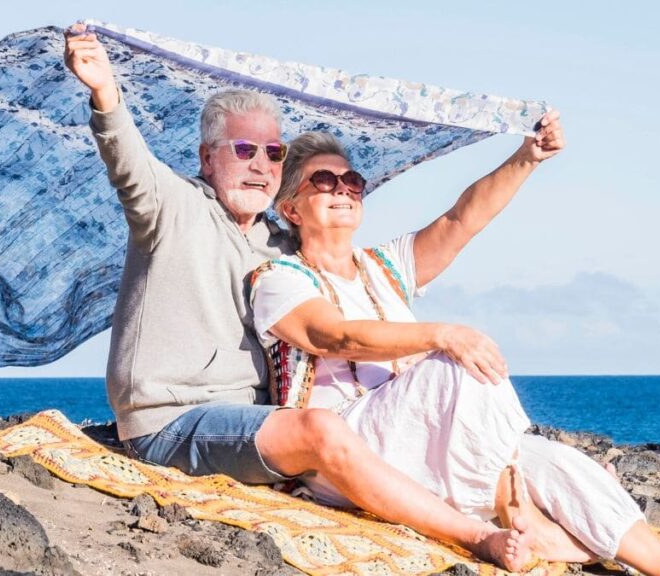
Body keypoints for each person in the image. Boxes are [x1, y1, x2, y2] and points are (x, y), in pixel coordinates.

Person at [64, 24, 547, 569]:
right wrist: (105, 93)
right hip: (171, 422)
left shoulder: (279, 244)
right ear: (206, 159)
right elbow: (128, 163)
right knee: (322, 428)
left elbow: (455, 225)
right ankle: (475, 536)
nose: (260, 165)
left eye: (273, 153)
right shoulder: (172, 208)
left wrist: (526, 156)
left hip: (253, 424)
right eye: (243, 150)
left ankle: (539, 524)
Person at [248, 129, 660, 575]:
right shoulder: (279, 278)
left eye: (353, 181)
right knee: (455, 365)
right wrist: (443, 335)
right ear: (290, 208)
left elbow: (461, 220)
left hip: (418, 438)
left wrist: (528, 157)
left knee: (558, 463)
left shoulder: (383, 267)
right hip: (343, 450)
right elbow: (332, 336)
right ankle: (519, 514)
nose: (343, 189)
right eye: (324, 181)